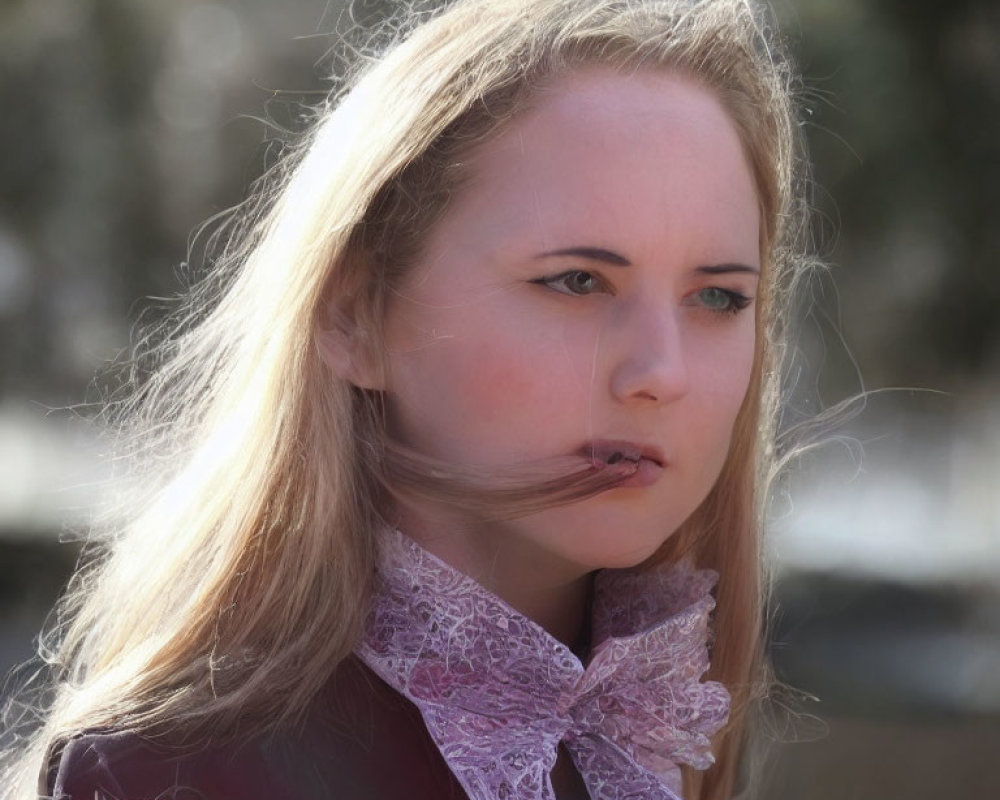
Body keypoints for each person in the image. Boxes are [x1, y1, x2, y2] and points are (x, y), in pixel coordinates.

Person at [2, 0, 810, 798]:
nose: (660, 373)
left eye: (718, 299)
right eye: (576, 282)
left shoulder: (662, 742)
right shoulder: (173, 776)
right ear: (356, 314)